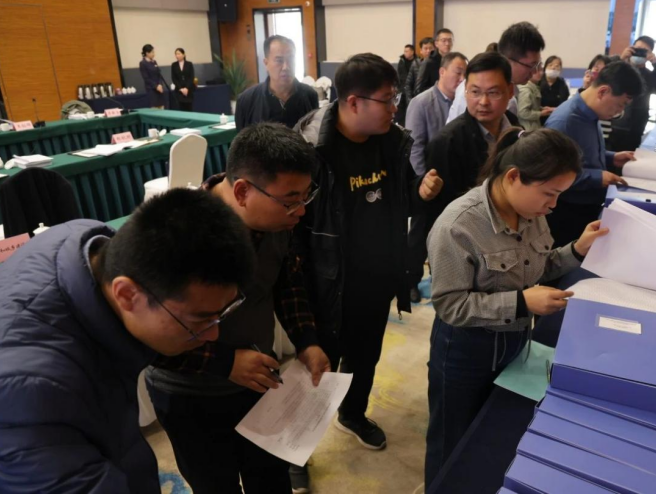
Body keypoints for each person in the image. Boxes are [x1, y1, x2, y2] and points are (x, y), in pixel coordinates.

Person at [0, 189, 254, 493]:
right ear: (127, 294)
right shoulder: (29, 399)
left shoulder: (87, 246)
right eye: (199, 320)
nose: (213, 335)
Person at [146, 124, 329, 494]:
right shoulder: (172, 237)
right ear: (243, 191)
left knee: (271, 479)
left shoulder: (277, 217)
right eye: (291, 200)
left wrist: (307, 339)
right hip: (190, 395)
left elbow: (286, 281)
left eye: (305, 196)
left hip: (259, 382)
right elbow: (146, 339)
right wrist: (224, 362)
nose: (300, 211)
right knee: (216, 485)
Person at [424, 128, 610, 489]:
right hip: (465, 352)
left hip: (515, 342)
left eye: (559, 195)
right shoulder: (458, 226)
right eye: (549, 193)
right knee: (452, 444)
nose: (553, 205)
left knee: (491, 439)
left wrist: (577, 249)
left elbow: (539, 266)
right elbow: (450, 305)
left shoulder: (530, 210)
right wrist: (522, 302)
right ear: (513, 177)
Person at [295, 53, 443, 453]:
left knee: (365, 356)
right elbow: (294, 225)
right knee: (318, 365)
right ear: (353, 102)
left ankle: (352, 413)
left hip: (376, 279)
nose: (395, 107)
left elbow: (404, 196)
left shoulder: (390, 141)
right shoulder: (312, 149)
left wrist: (421, 192)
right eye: (387, 99)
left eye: (395, 98)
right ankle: (296, 449)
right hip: (328, 281)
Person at [544, 60, 644, 247]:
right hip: (568, 213)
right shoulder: (565, 122)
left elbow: (581, 155)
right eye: (620, 105)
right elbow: (552, 176)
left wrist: (612, 157)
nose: (620, 111)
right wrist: (597, 177)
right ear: (603, 91)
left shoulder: (591, 114)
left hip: (588, 207)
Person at [405, 51, 468, 302]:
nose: (461, 79)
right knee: (419, 236)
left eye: (465, 74)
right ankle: (409, 281)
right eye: (458, 72)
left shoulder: (464, 103)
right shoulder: (422, 102)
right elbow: (414, 146)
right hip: (428, 184)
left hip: (454, 185)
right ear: (442, 72)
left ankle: (441, 281)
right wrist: (424, 183)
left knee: (447, 237)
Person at [426, 52, 513, 227]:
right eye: (475, 92)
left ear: (510, 91)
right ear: (465, 90)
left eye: (493, 92)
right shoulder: (447, 143)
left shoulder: (516, 130)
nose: (483, 101)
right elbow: (442, 212)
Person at [448, 22, 546, 125]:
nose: (535, 71)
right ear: (509, 61)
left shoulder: (511, 93)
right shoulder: (472, 91)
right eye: (531, 65)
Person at [235, 35, 319, 131]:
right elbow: (242, 138)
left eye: (291, 59)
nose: (286, 67)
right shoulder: (247, 100)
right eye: (279, 60)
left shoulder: (310, 95)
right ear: (266, 63)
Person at [610, 35, 656, 151]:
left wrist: (655, 63)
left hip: (636, 125)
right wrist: (621, 59)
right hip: (615, 122)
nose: (638, 53)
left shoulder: (649, 75)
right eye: (636, 49)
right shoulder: (620, 69)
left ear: (649, 54)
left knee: (630, 154)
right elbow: (607, 79)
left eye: (643, 51)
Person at [575, 54, 617, 147]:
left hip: (603, 137)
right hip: (583, 135)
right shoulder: (581, 91)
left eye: (603, 69)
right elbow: (576, 108)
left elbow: (618, 114)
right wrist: (585, 87)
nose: (598, 73)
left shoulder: (611, 92)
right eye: (596, 69)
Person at [414, 28, 455, 96]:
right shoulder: (429, 62)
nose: (447, 43)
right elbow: (419, 89)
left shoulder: (453, 61)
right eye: (444, 40)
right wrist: (440, 90)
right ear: (436, 43)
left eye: (450, 40)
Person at [516, 66, 553, 130]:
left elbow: (531, 105)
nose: (541, 73)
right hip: (527, 129)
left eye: (541, 70)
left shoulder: (533, 87)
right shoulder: (526, 90)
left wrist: (541, 108)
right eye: (537, 71)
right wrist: (541, 113)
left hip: (533, 127)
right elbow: (523, 112)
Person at [539, 55, 569, 125]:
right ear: (545, 67)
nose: (553, 68)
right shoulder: (538, 82)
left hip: (556, 119)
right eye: (550, 65)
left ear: (560, 70)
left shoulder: (562, 84)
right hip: (538, 119)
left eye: (557, 66)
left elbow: (565, 105)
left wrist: (554, 109)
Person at [404, 37, 435, 102]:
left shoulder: (438, 64)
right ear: (421, 50)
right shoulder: (415, 64)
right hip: (418, 99)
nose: (428, 51)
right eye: (425, 48)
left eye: (430, 48)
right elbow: (408, 84)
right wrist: (410, 100)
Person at [140, 44, 166, 109]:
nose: (154, 54)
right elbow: (146, 78)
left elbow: (159, 74)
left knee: (162, 108)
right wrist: (156, 86)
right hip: (151, 90)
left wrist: (160, 84)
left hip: (159, 89)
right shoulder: (143, 63)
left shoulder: (154, 62)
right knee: (154, 109)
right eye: (152, 52)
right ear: (147, 53)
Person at [171, 47, 196, 112]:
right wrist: (181, 88)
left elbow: (191, 77)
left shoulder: (189, 64)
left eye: (179, 54)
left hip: (188, 90)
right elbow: (174, 78)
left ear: (183, 54)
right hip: (179, 90)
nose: (177, 55)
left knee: (189, 108)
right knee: (181, 109)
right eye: (176, 54)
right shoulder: (174, 65)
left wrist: (187, 88)